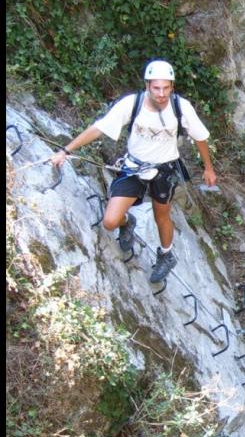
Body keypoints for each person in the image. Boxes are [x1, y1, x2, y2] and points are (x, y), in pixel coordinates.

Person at [51, 59, 217, 283]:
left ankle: (166, 255)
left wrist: (208, 168)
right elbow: (99, 128)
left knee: (162, 215)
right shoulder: (132, 104)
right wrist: (66, 150)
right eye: (156, 88)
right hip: (134, 167)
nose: (161, 94)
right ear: (147, 86)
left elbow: (200, 137)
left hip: (164, 169)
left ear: (172, 87)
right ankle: (127, 223)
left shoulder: (180, 107)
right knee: (110, 221)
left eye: (166, 88)